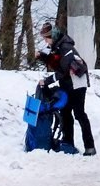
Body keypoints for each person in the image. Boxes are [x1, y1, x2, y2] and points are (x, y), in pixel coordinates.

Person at [36, 22, 96, 156]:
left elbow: (63, 70)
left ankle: (90, 146)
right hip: (68, 83)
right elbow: (56, 63)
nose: (45, 41)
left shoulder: (65, 47)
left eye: (47, 38)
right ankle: (68, 143)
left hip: (77, 84)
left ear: (54, 36)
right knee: (65, 112)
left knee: (79, 114)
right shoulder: (58, 47)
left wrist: (47, 81)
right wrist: (43, 57)